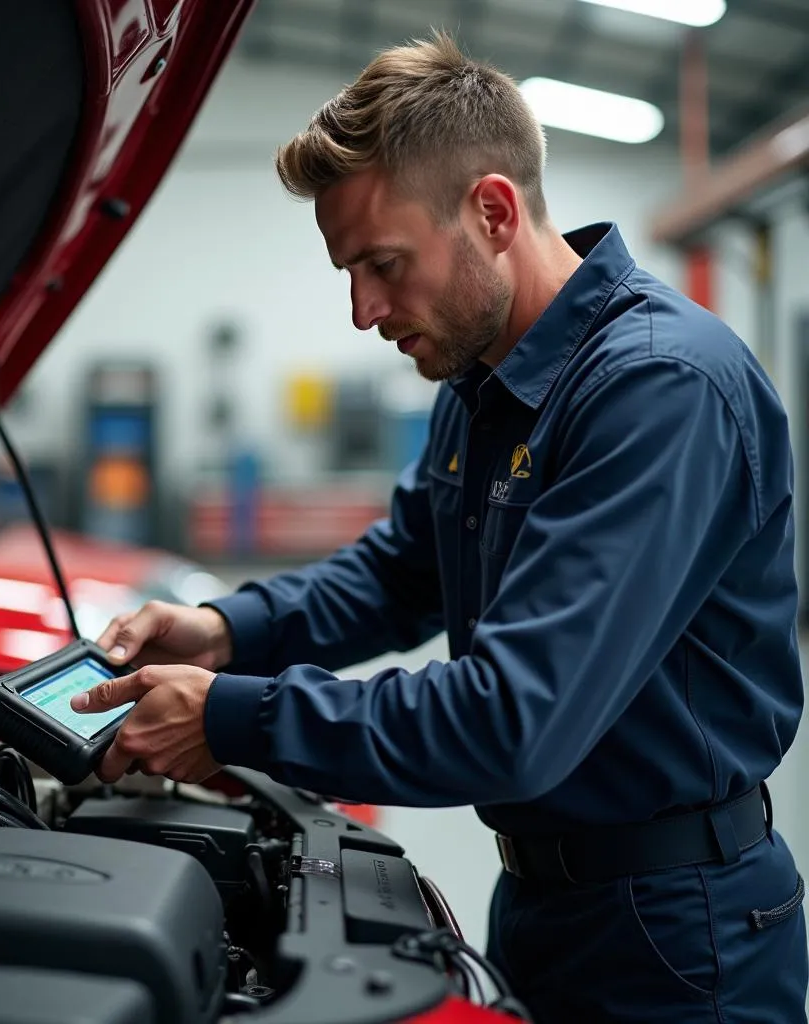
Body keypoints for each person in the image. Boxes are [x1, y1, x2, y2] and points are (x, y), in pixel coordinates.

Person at [68, 31, 808, 1023]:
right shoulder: (482, 377)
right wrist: (229, 628)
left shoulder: (655, 389)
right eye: (346, 271)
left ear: (492, 211)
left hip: (677, 930)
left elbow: (511, 719)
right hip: (543, 896)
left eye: (381, 263)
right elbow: (399, 572)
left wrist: (229, 717)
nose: (363, 310)